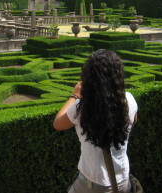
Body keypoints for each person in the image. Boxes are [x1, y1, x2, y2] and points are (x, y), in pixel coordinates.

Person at [53, 49, 138, 193]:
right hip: (122, 182)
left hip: (92, 184)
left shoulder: (80, 108)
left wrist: (74, 96)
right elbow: (133, 121)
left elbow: (58, 123)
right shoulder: (128, 99)